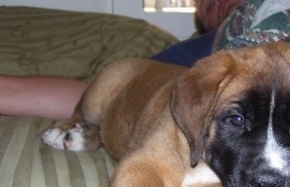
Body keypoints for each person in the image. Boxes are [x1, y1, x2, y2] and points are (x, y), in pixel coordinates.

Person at [0, 0, 240, 120]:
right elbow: (115, 93)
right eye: (209, 6)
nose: (219, 3)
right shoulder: (193, 50)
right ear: (207, 28)